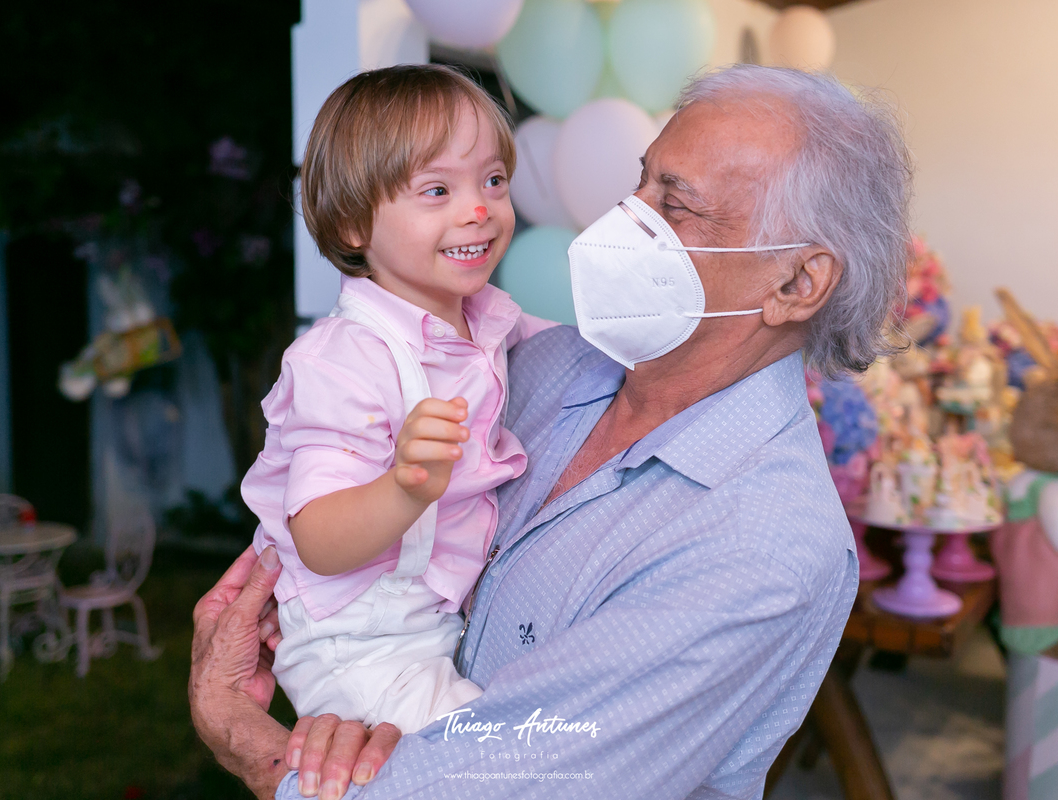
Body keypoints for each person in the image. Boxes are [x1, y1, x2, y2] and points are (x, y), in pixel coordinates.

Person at [190, 64, 913, 800]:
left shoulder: (762, 545)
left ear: (797, 284)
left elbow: (495, 786)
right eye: (641, 182)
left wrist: (245, 739)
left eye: (675, 203)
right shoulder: (539, 365)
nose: (627, 218)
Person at [241, 64, 556, 738]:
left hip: (432, 621)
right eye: (437, 190)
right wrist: (406, 488)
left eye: (493, 180)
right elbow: (319, 538)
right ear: (355, 224)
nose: (479, 209)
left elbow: (579, 363)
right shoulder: (344, 359)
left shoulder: (489, 319)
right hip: (360, 643)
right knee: (497, 765)